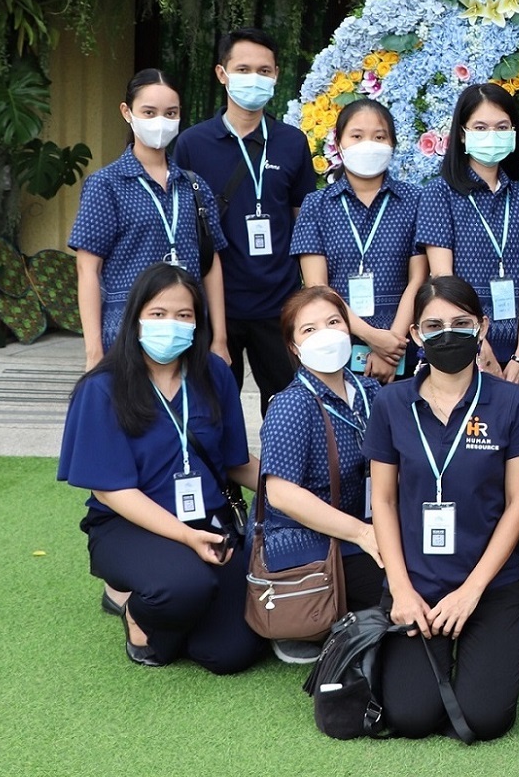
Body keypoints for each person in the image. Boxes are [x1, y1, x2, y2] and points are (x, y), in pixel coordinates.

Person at [57, 263, 263, 673]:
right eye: (158, 314)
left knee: (230, 654)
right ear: (134, 319)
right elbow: (111, 491)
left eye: (184, 315)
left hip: (210, 520)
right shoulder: (102, 388)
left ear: (197, 322)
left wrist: (300, 493)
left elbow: (235, 462)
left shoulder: (215, 374)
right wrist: (187, 537)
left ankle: (180, 608)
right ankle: (136, 613)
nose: (172, 325)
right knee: (185, 586)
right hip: (128, 525)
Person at [363, 276, 519, 740]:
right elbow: (382, 498)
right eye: (434, 324)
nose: (448, 333)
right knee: (411, 716)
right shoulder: (390, 403)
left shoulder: (512, 402)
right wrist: (400, 590)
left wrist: (471, 591)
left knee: (485, 719)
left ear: (482, 328)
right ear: (416, 333)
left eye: (461, 323)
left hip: (490, 585)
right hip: (416, 585)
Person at [175, 28, 316, 411]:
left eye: (263, 70)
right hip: (217, 304)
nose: (254, 78)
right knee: (214, 409)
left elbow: (301, 218)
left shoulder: (292, 142)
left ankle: (280, 472)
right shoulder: (192, 143)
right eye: (243, 68)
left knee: (289, 406)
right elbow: (184, 226)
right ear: (222, 73)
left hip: (280, 303)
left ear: (276, 75)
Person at [256, 285, 386, 665]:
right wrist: (363, 533)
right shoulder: (291, 406)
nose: (326, 334)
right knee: (393, 584)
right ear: (294, 347)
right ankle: (303, 622)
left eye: (333, 322)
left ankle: (344, 617)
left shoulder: (371, 391)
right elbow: (280, 495)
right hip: (301, 535)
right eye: (309, 330)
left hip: (361, 523)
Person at [70, 68, 230, 373]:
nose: (161, 121)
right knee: (131, 416)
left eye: (171, 113)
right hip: (127, 332)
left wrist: (219, 338)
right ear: (127, 112)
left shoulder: (194, 185)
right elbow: (87, 269)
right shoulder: (106, 185)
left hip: (188, 332)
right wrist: (93, 351)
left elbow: (211, 264)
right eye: (149, 111)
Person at [292, 97, 426, 384]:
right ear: (339, 143)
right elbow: (318, 287)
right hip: (336, 343)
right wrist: (372, 337)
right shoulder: (316, 205)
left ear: (392, 144)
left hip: (401, 344)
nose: (369, 144)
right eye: (357, 135)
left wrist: (393, 345)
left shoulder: (416, 200)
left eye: (379, 136)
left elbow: (419, 279)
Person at [418, 83, 519, 385]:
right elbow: (442, 279)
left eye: (502, 127)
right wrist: (478, 344)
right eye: (480, 126)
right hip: (462, 344)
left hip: (514, 350)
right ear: (462, 133)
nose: (492, 135)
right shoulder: (440, 194)